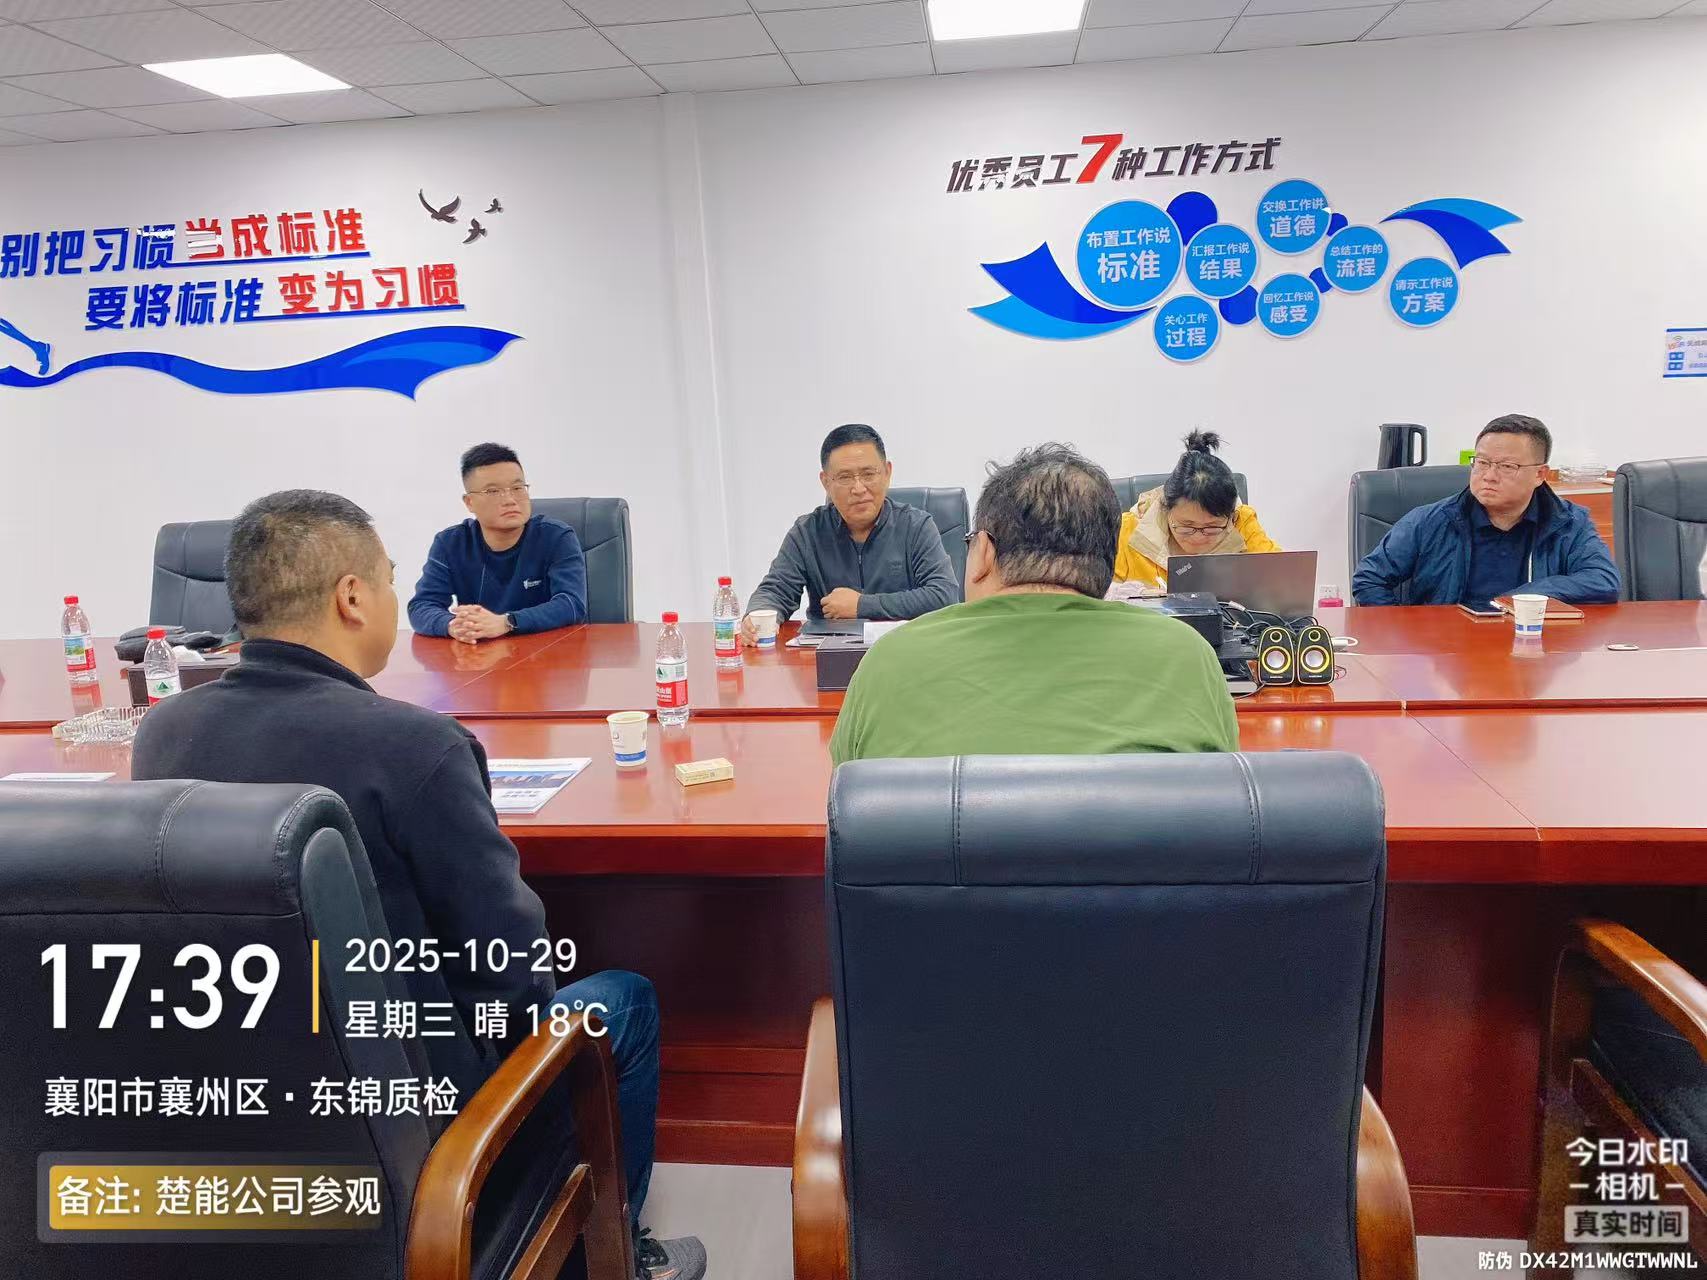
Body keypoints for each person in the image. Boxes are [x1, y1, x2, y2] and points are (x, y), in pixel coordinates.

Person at [133, 490, 704, 1280]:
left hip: (256, 1103)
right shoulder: (415, 746)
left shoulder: (164, 732)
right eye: (389, 579)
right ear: (352, 597)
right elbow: (511, 970)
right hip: (421, 1136)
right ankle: (604, 1258)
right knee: (623, 1001)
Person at [830, 444, 1238, 764]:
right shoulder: (1188, 658)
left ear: (984, 552)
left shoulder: (887, 664)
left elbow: (846, 810)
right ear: (1109, 557)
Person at [1352, 414, 1619, 606]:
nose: (1489, 476)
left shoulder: (1568, 523)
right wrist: (1408, 636)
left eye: (1507, 466)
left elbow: (1602, 580)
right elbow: (1369, 580)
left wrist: (1528, 596)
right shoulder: (1429, 521)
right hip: (1447, 653)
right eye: (1481, 462)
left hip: (1531, 646)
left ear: (1540, 474)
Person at [742, 423, 959, 643]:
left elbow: (944, 595)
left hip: (901, 649)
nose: (858, 488)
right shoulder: (808, 532)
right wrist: (757, 615)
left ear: (887, 473)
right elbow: (776, 589)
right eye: (845, 477)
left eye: (868, 474)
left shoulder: (916, 526)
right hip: (829, 652)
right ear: (826, 482)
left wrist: (861, 605)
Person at [409, 443, 587, 643]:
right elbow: (422, 606)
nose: (510, 499)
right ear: (469, 502)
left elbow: (571, 604)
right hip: (480, 654)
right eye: (493, 491)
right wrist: (453, 625)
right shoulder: (450, 544)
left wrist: (507, 622)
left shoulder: (556, 537)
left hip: (548, 651)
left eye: (517, 488)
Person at [1111, 430, 1280, 590]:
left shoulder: (1242, 523)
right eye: (1187, 527)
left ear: (1231, 517)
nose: (1198, 538)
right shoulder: (1127, 530)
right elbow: (1103, 596)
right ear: (1165, 508)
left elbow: (1280, 579)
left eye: (1211, 528)